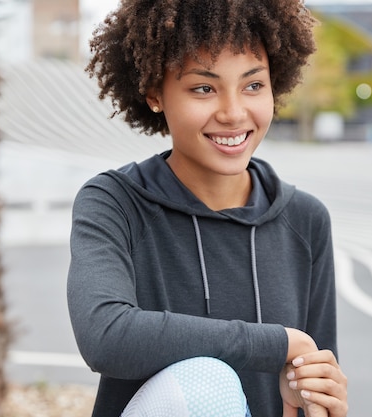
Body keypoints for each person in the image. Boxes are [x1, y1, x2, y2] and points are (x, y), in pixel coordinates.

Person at [67, 0, 349, 416]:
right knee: (207, 382)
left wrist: (319, 403)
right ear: (154, 94)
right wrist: (281, 343)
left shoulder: (306, 221)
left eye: (253, 85)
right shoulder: (115, 202)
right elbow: (106, 336)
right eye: (204, 87)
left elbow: (313, 387)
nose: (234, 113)